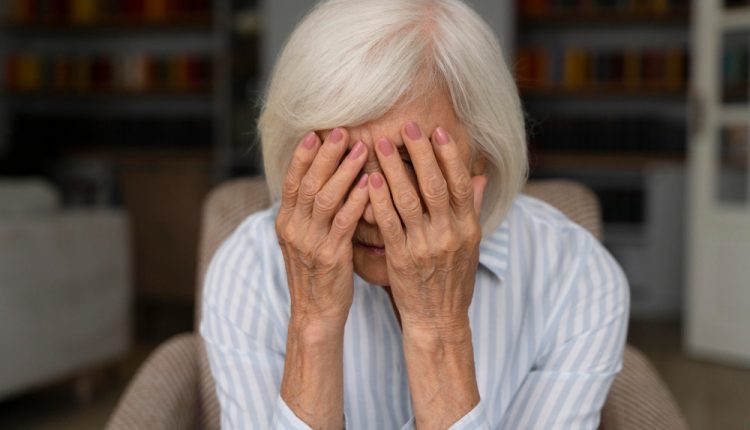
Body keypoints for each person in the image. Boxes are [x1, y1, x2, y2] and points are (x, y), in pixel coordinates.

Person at [200, 0, 630, 428]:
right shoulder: (248, 269)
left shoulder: (576, 277)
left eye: (409, 163)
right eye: (341, 161)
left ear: (483, 154)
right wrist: (312, 326)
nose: (372, 210)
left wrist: (438, 329)